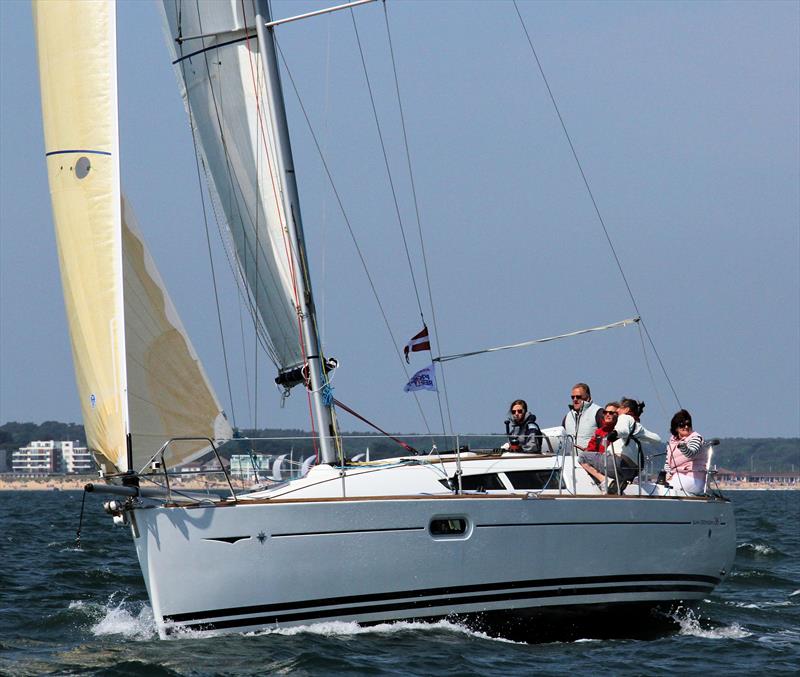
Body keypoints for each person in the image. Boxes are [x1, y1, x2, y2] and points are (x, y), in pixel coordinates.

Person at [665, 409, 708, 495]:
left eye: (688, 424)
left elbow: (691, 453)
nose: (686, 427)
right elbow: (668, 462)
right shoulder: (672, 441)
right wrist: (668, 473)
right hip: (677, 477)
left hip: (694, 479)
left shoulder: (695, 438)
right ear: (676, 427)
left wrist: (683, 447)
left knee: (664, 489)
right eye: (682, 425)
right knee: (659, 486)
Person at [563, 383, 602, 449]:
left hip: (592, 458)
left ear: (588, 397)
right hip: (571, 458)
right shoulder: (568, 417)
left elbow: (606, 437)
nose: (575, 399)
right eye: (573, 397)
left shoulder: (598, 412)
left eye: (578, 397)